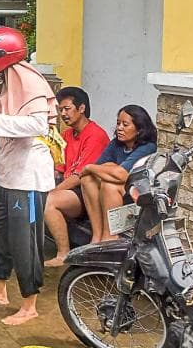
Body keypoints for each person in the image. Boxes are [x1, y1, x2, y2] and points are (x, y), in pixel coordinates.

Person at [0, 25, 58, 326]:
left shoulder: (29, 80)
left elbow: (36, 126)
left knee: (25, 242)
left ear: (0, 55)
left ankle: (29, 305)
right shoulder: (1, 84)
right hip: (6, 172)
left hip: (28, 176)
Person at [43, 87, 110, 267]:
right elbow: (58, 167)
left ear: (81, 108)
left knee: (49, 201)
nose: (63, 114)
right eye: (60, 110)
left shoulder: (95, 135)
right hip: (71, 188)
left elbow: (80, 176)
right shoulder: (66, 134)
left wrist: (54, 191)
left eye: (67, 109)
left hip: (89, 191)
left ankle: (63, 254)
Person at [80, 104, 158, 242]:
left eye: (125, 124)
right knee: (88, 179)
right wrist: (94, 169)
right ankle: (97, 236)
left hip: (136, 196)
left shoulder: (147, 147)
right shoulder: (116, 144)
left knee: (108, 183)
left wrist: (89, 167)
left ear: (139, 129)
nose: (119, 128)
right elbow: (100, 167)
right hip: (116, 191)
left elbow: (122, 175)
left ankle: (109, 236)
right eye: (118, 123)